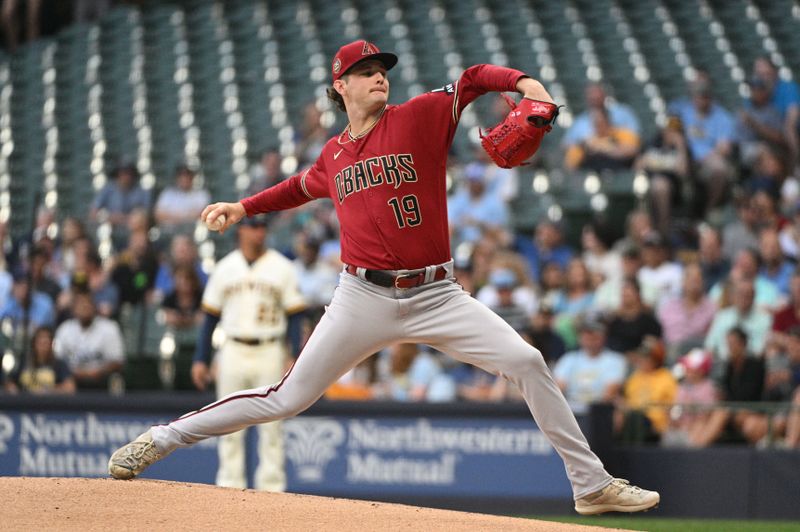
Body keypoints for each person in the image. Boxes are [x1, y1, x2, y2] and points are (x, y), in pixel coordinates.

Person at [109, 40, 659, 514]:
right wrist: (244, 207)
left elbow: (471, 82)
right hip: (361, 297)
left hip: (437, 293)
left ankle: (591, 485)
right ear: (340, 84)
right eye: (367, 71)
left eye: (383, 70)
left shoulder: (417, 116)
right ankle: (162, 439)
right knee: (285, 398)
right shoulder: (333, 153)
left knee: (527, 361)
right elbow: (300, 186)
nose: (380, 76)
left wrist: (528, 85)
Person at [189, 215, 306, 492]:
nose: (259, 232)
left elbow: (295, 317)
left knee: (273, 425)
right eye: (253, 226)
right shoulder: (225, 268)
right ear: (241, 230)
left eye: (263, 227)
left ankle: (272, 489)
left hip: (270, 348)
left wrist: (294, 355)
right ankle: (229, 487)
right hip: (232, 349)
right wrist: (200, 359)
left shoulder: (282, 267)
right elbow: (209, 319)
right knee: (227, 423)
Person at [54, 290, 124, 390]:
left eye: (88, 303)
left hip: (102, 381)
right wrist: (71, 372)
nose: (84, 307)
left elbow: (118, 362)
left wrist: (97, 372)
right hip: (71, 380)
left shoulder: (109, 327)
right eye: (80, 304)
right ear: (73, 309)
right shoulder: (64, 329)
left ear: (94, 307)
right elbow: (56, 358)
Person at [553, 314, 627, 406]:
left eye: (595, 333)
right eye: (586, 333)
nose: (590, 337)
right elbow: (558, 389)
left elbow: (609, 394)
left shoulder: (616, 360)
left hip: (599, 411)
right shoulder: (568, 359)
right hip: (570, 408)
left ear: (604, 336)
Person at [4, 326, 75, 394]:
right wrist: (14, 390)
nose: (42, 347)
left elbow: (70, 388)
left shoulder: (59, 364)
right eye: (40, 343)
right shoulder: (23, 363)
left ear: (51, 345)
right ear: (34, 344)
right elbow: (9, 382)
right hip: (24, 403)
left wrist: (49, 391)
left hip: (49, 404)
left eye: (45, 343)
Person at [154, 165, 211, 230]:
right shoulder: (168, 193)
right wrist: (184, 217)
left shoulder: (201, 194)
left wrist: (175, 217)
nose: (184, 179)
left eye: (187, 175)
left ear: (192, 177)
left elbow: (202, 215)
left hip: (192, 230)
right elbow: (158, 215)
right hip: (170, 230)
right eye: (181, 175)